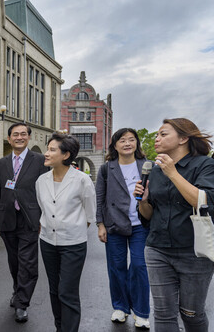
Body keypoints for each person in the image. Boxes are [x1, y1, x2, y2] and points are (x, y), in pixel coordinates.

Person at [134, 118, 214, 332]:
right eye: (157, 134)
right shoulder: (156, 170)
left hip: (194, 252)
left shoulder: (205, 165)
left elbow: (204, 202)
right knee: (163, 313)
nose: (156, 138)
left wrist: (173, 173)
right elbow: (148, 215)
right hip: (158, 249)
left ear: (184, 138)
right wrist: (143, 199)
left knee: (192, 314)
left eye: (163, 134)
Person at [35, 133, 96, 332]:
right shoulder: (41, 181)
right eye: (48, 148)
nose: (46, 153)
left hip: (73, 244)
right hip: (47, 242)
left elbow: (89, 214)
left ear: (66, 154)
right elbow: (43, 209)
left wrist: (71, 230)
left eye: (52, 150)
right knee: (54, 290)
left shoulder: (82, 180)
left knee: (67, 291)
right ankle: (59, 327)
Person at [0, 122, 48, 323]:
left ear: (28, 137)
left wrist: (44, 217)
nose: (19, 137)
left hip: (29, 218)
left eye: (23, 134)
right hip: (7, 218)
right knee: (14, 261)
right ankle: (17, 290)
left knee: (28, 262)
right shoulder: (1, 163)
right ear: (9, 139)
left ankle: (22, 303)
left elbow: (45, 191)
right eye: (15, 134)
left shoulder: (40, 160)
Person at [95, 128, 150, 329]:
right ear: (115, 145)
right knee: (116, 267)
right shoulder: (106, 168)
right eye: (122, 140)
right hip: (114, 225)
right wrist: (101, 224)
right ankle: (120, 307)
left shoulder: (147, 166)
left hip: (141, 225)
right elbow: (99, 198)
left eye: (131, 140)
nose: (127, 143)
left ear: (137, 143)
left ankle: (142, 312)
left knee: (139, 266)